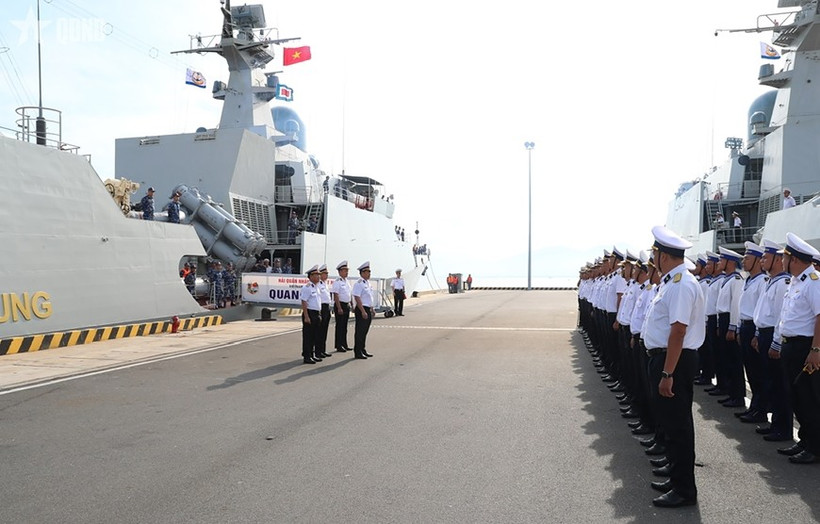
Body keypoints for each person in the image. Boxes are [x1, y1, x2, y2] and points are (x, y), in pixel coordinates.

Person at [642, 225, 705, 508]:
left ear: (662, 256)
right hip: (667, 358)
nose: (654, 259)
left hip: (674, 362)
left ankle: (684, 490)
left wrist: (667, 373)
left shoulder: (681, 284)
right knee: (671, 423)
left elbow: (678, 331)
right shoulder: (672, 281)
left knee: (679, 427)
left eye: (655, 254)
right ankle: (675, 477)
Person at [775, 232, 820, 464]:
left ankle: (814, 447)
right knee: (796, 397)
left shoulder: (813, 281)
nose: (781, 261)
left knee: (808, 398)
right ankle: (805, 441)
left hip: (805, 347)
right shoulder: (796, 281)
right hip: (791, 346)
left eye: (784, 257)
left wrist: (815, 350)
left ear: (793, 259)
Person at [752, 239, 792, 442]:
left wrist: (775, 342)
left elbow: (780, 316)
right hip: (765, 334)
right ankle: (775, 423)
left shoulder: (783, 283)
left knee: (778, 384)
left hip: (774, 336)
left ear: (777, 259)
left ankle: (782, 428)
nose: (762, 260)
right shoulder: (771, 281)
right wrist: (758, 334)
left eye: (766, 257)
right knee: (769, 381)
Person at [300, 265, 323, 364]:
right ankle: (307, 356)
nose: (319, 276)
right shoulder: (307, 287)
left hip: (316, 313)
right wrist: (306, 316)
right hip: (309, 313)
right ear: (310, 276)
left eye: (319, 274)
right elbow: (304, 302)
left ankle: (312, 354)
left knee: (315, 336)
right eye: (316, 275)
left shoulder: (316, 287)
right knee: (308, 336)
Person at [352, 261, 374, 359]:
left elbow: (369, 297)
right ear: (362, 273)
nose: (369, 273)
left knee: (365, 331)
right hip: (362, 309)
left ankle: (362, 349)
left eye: (369, 271)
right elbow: (357, 297)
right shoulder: (359, 283)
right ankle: (357, 351)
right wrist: (362, 311)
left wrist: (371, 309)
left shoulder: (368, 283)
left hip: (367, 308)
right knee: (360, 331)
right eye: (367, 272)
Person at [331, 260, 353, 352]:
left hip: (346, 305)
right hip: (340, 305)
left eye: (347, 270)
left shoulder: (347, 281)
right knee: (340, 326)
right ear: (340, 271)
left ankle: (344, 344)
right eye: (344, 270)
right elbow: (336, 295)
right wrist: (339, 307)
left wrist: (352, 304)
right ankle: (339, 345)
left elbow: (349, 294)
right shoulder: (337, 282)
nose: (346, 272)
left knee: (344, 326)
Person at [317, 264, 333, 359]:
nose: (326, 275)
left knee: (324, 330)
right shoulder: (318, 284)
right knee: (320, 331)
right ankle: (318, 351)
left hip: (327, 308)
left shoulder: (325, 284)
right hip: (321, 308)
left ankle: (323, 349)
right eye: (325, 273)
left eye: (327, 273)